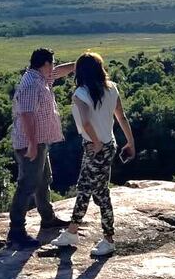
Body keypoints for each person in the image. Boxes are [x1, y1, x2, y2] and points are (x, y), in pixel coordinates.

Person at [51, 52, 135, 257]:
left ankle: (107, 239)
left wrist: (96, 143)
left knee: (99, 193)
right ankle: (73, 232)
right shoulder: (112, 88)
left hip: (95, 146)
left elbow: (86, 122)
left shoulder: (80, 93)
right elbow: (122, 117)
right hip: (108, 145)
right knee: (87, 188)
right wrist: (130, 142)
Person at [7, 48, 75, 249]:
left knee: (43, 180)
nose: (54, 67)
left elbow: (59, 72)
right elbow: (27, 115)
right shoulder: (31, 84)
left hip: (39, 142)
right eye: (52, 63)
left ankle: (48, 218)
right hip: (30, 143)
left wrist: (78, 64)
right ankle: (16, 231)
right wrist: (32, 144)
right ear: (45, 64)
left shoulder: (40, 77)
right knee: (27, 185)